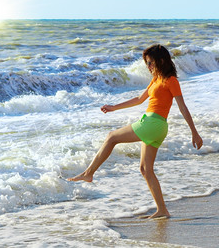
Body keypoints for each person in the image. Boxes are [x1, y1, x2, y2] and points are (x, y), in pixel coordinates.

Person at [68, 44, 203, 219]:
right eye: (147, 63)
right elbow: (139, 99)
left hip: (152, 123)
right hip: (157, 127)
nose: (148, 67)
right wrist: (113, 107)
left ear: (161, 61)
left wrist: (195, 132)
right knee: (146, 169)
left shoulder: (171, 80)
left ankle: (88, 173)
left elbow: (183, 107)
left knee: (111, 137)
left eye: (151, 63)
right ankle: (162, 210)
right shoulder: (156, 79)